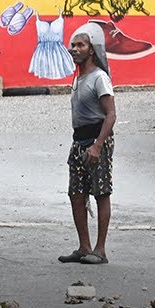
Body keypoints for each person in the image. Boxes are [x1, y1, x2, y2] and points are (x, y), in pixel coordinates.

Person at [59, 24, 116, 265]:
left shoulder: (99, 78)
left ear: (91, 50)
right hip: (79, 142)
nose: (74, 49)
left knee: (101, 193)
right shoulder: (79, 78)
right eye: (73, 45)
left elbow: (111, 114)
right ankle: (84, 247)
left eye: (80, 45)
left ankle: (100, 250)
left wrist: (98, 145)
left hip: (96, 141)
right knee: (76, 194)